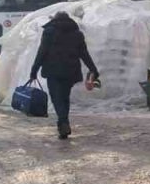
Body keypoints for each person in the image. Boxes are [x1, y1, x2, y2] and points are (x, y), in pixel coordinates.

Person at [27, 11, 99, 140]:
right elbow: (84, 54)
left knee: (56, 98)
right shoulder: (77, 34)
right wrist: (93, 69)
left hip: (53, 71)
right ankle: (64, 122)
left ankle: (63, 122)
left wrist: (34, 70)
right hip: (71, 71)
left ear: (55, 19)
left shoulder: (49, 32)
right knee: (65, 98)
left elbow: (42, 52)